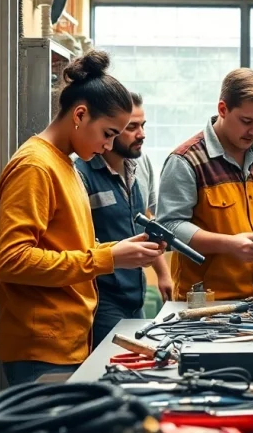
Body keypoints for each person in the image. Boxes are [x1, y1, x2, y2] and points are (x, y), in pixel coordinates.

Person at [0, 51, 164, 385]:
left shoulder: (65, 164)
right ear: (80, 114)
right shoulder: (35, 166)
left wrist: (116, 250)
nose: (109, 145)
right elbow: (12, 261)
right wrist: (106, 258)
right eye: (108, 133)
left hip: (69, 341)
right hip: (41, 349)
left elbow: (65, 246)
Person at [157, 68, 253, 301]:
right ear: (222, 109)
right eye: (246, 121)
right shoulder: (186, 161)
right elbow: (169, 227)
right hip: (204, 304)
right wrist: (228, 244)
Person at [75, 92, 174, 348]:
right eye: (132, 127)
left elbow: (147, 225)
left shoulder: (140, 164)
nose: (142, 134)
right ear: (112, 129)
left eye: (143, 125)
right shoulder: (80, 173)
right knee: (112, 362)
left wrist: (163, 273)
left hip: (135, 294)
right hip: (102, 298)